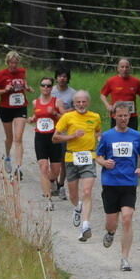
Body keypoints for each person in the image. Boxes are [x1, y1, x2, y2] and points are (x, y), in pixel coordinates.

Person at [96, 102, 140, 271]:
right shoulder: (107, 136)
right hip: (110, 183)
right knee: (112, 223)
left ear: (129, 116)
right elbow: (98, 156)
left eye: (126, 115)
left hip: (129, 183)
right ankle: (110, 233)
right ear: (114, 116)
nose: (123, 118)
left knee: (127, 218)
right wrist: (104, 162)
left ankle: (125, 258)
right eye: (120, 116)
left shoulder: (136, 136)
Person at [53, 90, 102, 241]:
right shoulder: (67, 117)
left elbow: (99, 132)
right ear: (74, 104)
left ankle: (86, 225)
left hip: (88, 156)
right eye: (78, 102)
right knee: (73, 194)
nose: (81, 105)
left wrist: (99, 139)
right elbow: (55, 138)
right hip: (71, 157)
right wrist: (72, 136)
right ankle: (77, 207)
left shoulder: (95, 117)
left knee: (87, 191)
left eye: (84, 102)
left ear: (88, 102)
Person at [0, 51, 29, 180]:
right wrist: (4, 90)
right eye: (11, 63)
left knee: (18, 137)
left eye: (16, 63)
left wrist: (26, 87)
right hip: (6, 108)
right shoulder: (1, 74)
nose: (13, 65)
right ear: (7, 62)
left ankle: (18, 168)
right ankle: (7, 157)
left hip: (20, 107)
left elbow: (24, 81)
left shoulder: (22, 71)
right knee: (10, 138)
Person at [32, 76, 65, 207]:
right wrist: (32, 118)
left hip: (54, 137)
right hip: (40, 137)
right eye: (43, 85)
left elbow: (65, 118)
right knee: (44, 167)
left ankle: (52, 180)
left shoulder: (57, 102)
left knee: (55, 170)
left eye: (48, 85)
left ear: (52, 88)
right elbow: (37, 115)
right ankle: (48, 199)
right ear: (40, 87)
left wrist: (55, 114)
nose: (46, 88)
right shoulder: (35, 102)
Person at [100, 58, 140, 129]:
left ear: (130, 68)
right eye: (122, 67)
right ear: (118, 68)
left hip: (131, 116)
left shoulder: (136, 81)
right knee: (116, 137)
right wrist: (108, 106)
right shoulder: (111, 81)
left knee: (131, 137)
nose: (124, 69)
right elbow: (103, 95)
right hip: (116, 116)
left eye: (127, 67)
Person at [52, 67, 76, 200]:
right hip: (51, 128)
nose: (62, 78)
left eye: (65, 76)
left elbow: (78, 108)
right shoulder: (51, 90)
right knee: (52, 158)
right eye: (60, 76)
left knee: (63, 160)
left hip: (66, 131)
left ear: (68, 78)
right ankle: (53, 182)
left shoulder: (73, 93)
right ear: (56, 77)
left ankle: (61, 185)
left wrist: (64, 113)